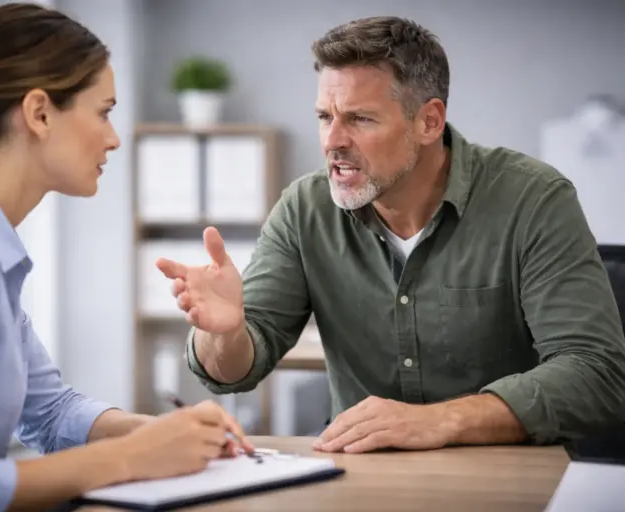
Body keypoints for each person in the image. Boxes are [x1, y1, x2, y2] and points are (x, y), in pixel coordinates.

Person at [156, 16, 625, 454]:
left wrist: (442, 421)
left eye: (359, 119)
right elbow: (234, 371)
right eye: (324, 116)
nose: (332, 140)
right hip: (360, 479)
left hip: (505, 475)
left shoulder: (533, 199)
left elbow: (597, 374)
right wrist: (225, 332)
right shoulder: (304, 209)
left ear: (428, 121)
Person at [0, 3, 253, 512]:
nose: (113, 138)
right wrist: (133, 456)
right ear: (39, 112)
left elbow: (48, 413)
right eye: (104, 112)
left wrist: (164, 435)